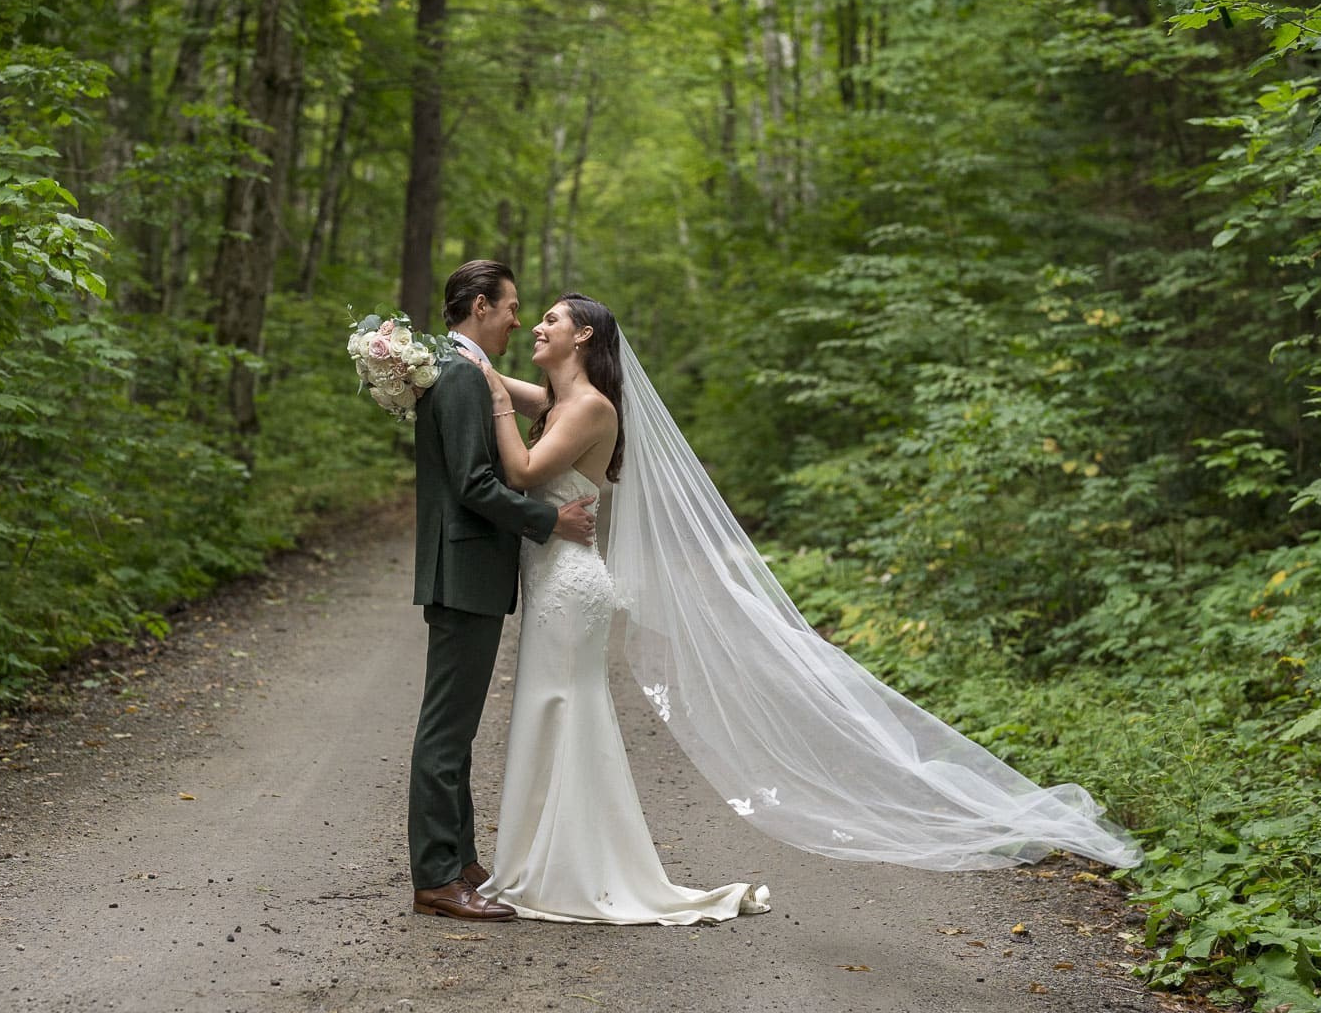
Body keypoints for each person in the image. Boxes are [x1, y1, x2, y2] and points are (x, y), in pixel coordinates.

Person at [464, 293, 1140, 925]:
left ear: (584, 334)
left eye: (550, 317)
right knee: (554, 709)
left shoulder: (590, 408)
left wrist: (489, 386)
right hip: (559, 579)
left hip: (570, 588)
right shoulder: (565, 401)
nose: (538, 326)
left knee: (566, 710)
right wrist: (467, 368)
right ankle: (550, 862)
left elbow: (522, 470)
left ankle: (575, 869)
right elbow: (507, 395)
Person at [406, 261, 596, 922]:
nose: (519, 319)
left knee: (454, 730)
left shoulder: (456, 367)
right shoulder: (458, 373)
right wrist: (551, 520)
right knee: (445, 730)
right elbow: (474, 484)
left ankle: (459, 860)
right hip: (464, 572)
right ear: (481, 306)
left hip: (466, 572)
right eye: (513, 307)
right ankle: (435, 875)